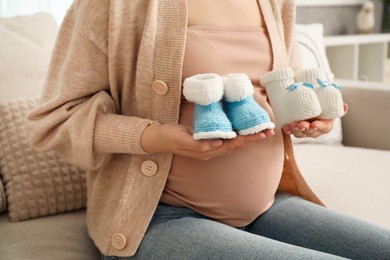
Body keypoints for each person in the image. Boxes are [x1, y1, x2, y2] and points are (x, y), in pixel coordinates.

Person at [26, 0, 390, 259]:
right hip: (160, 218)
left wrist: (308, 117)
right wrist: (155, 138)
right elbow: (57, 122)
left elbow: (285, 86)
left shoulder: (277, 3)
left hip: (266, 206)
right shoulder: (112, 5)